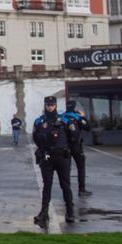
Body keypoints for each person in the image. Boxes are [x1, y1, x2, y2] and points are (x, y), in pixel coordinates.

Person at [32, 96, 76, 226]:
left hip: (62, 156)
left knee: (65, 185)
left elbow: (73, 137)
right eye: (48, 105)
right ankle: (44, 213)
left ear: (56, 105)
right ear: (45, 105)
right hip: (47, 157)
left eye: (52, 105)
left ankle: (70, 211)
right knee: (47, 186)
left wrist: (68, 150)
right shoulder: (39, 121)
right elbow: (36, 138)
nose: (50, 107)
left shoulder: (65, 120)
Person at [63, 100, 92, 198]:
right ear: (75, 107)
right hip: (76, 146)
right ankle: (81, 189)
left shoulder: (61, 117)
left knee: (66, 169)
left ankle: (67, 191)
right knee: (81, 167)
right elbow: (88, 127)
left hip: (64, 146)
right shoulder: (78, 117)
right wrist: (82, 116)